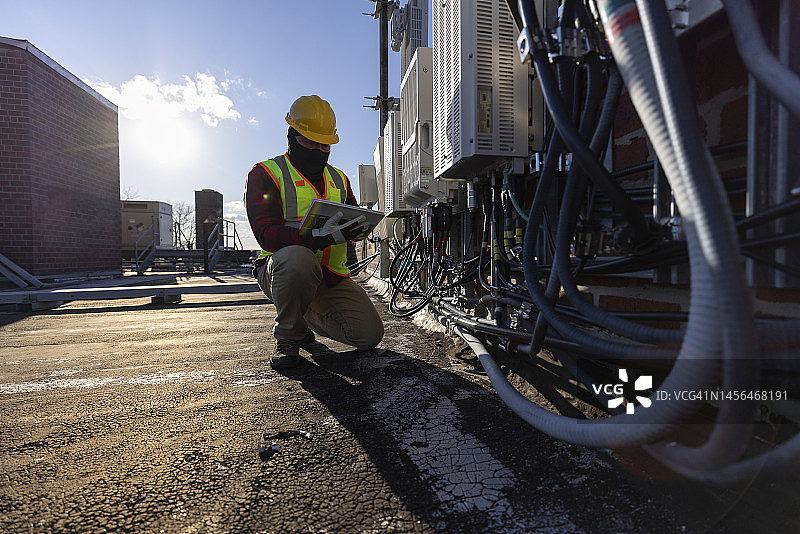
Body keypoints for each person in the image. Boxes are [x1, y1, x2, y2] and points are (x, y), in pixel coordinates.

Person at [245, 95, 384, 369]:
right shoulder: (266, 173)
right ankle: (288, 337)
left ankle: (303, 315)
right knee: (298, 258)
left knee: (368, 335)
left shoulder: (339, 179)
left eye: (325, 144)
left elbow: (353, 216)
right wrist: (313, 240)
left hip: (329, 278)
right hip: (284, 273)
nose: (318, 150)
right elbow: (265, 233)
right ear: (291, 135)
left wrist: (357, 230)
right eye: (309, 142)